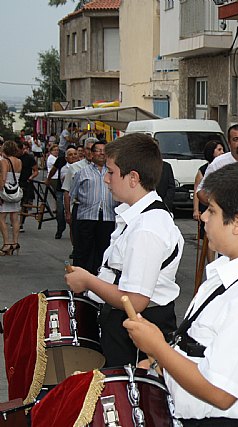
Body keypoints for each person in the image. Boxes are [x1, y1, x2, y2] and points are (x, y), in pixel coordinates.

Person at [124, 159, 238, 426]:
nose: (202, 216)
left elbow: (221, 392)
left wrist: (156, 346)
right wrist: (160, 364)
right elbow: (201, 349)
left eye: (211, 211)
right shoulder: (227, 271)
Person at [66, 133, 184, 368]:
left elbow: (136, 300)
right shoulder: (139, 217)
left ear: (133, 178)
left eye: (111, 172)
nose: (106, 180)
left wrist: (88, 281)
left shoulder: (147, 228)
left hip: (138, 330)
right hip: (124, 326)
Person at [69, 141, 117, 275]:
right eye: (98, 150)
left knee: (104, 249)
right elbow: (73, 194)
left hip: (108, 216)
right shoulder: (82, 172)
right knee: (83, 249)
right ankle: (79, 277)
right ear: (91, 153)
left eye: (104, 151)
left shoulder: (114, 173)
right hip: (87, 215)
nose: (101, 153)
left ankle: (100, 279)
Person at [196, 125, 238, 205]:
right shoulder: (218, 164)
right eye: (236, 139)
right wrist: (218, 208)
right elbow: (201, 192)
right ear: (229, 143)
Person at [193, 140, 225, 263]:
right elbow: (197, 190)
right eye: (219, 150)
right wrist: (196, 210)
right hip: (206, 206)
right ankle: (211, 263)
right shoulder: (203, 170)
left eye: (222, 149)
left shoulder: (224, 166)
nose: (222, 152)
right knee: (209, 236)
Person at [0, 141, 23, 255]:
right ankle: (15, 242)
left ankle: (6, 244)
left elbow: (3, 178)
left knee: (2, 218)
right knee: (14, 218)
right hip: (15, 191)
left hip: (5, 192)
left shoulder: (4, 161)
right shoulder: (19, 161)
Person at [17, 142, 38, 232]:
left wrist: (31, 177)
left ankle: (21, 223)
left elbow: (36, 170)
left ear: (22, 149)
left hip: (26, 182)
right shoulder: (13, 158)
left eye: (18, 150)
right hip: (15, 182)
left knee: (24, 203)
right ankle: (15, 221)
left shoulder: (29, 158)